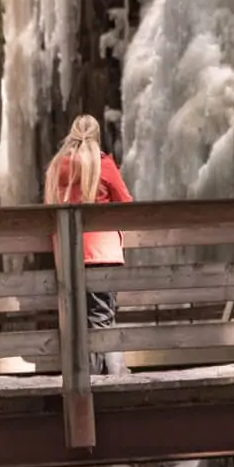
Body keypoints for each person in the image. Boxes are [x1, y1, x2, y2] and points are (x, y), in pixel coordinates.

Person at [44, 114, 132, 376]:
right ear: (96, 136)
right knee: (103, 319)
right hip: (101, 253)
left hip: (68, 255)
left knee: (78, 320)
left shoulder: (57, 166)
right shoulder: (102, 165)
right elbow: (126, 202)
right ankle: (113, 377)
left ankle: (87, 376)